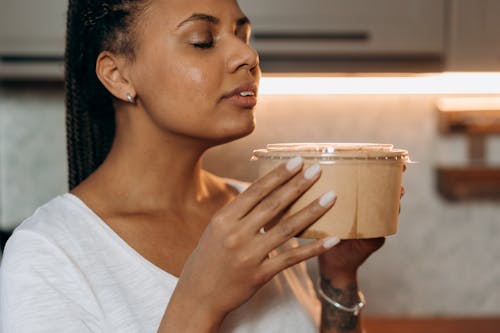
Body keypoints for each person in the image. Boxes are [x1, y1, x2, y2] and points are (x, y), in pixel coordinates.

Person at [0, 0, 388, 332]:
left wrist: (339, 277)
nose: (247, 56)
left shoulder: (259, 212)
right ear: (117, 75)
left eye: (244, 36)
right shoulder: (47, 254)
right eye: (203, 41)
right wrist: (199, 302)